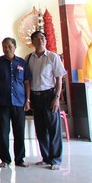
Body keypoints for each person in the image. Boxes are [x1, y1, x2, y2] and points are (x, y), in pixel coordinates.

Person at [27, 30, 66, 170]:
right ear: (33, 42)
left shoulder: (52, 57)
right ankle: (46, 157)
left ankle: (55, 160)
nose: (40, 40)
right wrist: (28, 99)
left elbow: (59, 78)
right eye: (37, 38)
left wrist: (57, 97)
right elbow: (28, 80)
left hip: (49, 95)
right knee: (41, 128)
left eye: (42, 38)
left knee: (53, 129)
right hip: (35, 96)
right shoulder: (28, 58)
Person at [0, 37, 31, 168]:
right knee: (3, 132)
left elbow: (26, 82)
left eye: (9, 46)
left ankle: (20, 159)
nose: (7, 49)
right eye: (4, 46)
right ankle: (5, 159)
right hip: (2, 103)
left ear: (14, 47)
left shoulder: (22, 62)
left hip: (19, 102)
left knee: (19, 132)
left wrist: (27, 100)